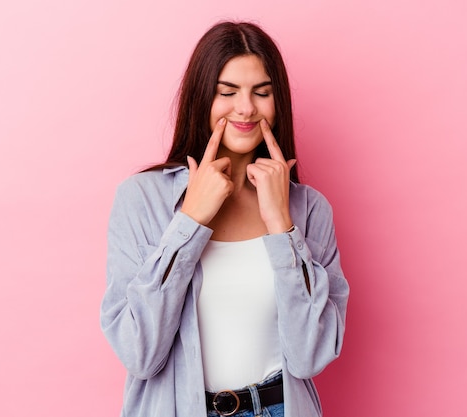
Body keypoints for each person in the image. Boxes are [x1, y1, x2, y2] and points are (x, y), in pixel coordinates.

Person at [101, 21, 349, 417]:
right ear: (202, 98)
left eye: (261, 92)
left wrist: (282, 226)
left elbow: (310, 356)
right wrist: (191, 221)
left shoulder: (309, 208)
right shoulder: (141, 199)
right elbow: (139, 353)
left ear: (277, 101)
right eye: (227, 92)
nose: (246, 108)